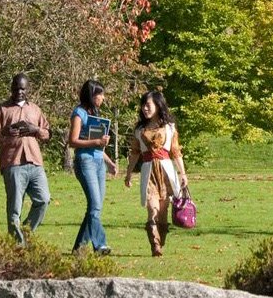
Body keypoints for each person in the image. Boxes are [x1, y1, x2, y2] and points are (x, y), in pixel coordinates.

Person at [0, 73, 51, 245]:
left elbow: (47, 134)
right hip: (13, 163)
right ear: (11, 88)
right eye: (16, 88)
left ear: (27, 88)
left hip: (35, 162)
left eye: (22, 88)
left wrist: (35, 129)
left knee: (43, 199)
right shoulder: (2, 110)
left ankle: (25, 233)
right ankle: (17, 246)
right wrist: (4, 132)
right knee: (15, 208)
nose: (19, 92)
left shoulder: (35, 109)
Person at [125, 90, 188, 257]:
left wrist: (183, 174)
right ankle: (155, 246)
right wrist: (129, 174)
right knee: (152, 209)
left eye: (148, 105)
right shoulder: (139, 130)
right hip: (148, 172)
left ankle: (161, 240)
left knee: (163, 212)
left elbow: (176, 152)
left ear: (158, 106)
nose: (145, 108)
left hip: (167, 171)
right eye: (143, 105)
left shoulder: (169, 128)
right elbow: (135, 153)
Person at [69, 79, 117, 255]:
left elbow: (98, 147)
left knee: (95, 208)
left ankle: (79, 249)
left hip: (98, 162)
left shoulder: (96, 114)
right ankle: (100, 245)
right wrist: (96, 141)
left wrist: (109, 161)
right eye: (100, 94)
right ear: (92, 95)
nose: (103, 98)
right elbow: (72, 141)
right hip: (85, 162)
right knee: (95, 205)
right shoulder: (79, 113)